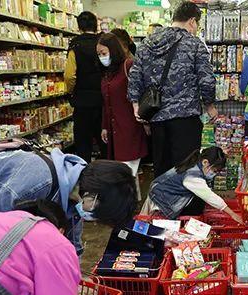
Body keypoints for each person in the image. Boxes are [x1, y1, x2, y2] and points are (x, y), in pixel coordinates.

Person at [0, 148, 137, 254]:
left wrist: (75, 278)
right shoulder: (38, 180)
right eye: (97, 217)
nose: (93, 220)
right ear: (92, 199)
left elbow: (71, 244)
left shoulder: (75, 191)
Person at [128, 1, 217, 178]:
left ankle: (163, 196)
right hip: (186, 118)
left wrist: (135, 104)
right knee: (187, 169)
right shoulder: (194, 44)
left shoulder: (147, 43)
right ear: (192, 21)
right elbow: (206, 80)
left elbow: (135, 75)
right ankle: (185, 197)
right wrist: (210, 106)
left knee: (162, 169)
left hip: (157, 116)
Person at [98, 33, 147, 200]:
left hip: (130, 128)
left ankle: (125, 205)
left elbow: (140, 92)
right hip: (114, 130)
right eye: (99, 54)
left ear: (113, 50)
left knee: (125, 172)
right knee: (125, 172)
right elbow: (106, 103)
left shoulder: (129, 66)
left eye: (104, 53)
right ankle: (133, 202)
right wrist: (105, 126)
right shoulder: (107, 73)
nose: (101, 57)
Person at [141, 147, 243, 224]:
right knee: (149, 224)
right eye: (214, 170)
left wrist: (221, 153)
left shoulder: (197, 159)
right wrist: (232, 214)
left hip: (158, 192)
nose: (214, 174)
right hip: (161, 200)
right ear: (205, 162)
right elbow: (210, 197)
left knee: (145, 223)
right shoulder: (193, 177)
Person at [64, 12, 104, 162]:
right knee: (104, 140)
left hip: (82, 102)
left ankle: (84, 171)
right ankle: (107, 169)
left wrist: (71, 91)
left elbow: (69, 75)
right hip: (102, 100)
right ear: (96, 25)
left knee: (83, 141)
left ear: (79, 26)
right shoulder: (103, 43)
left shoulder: (75, 45)